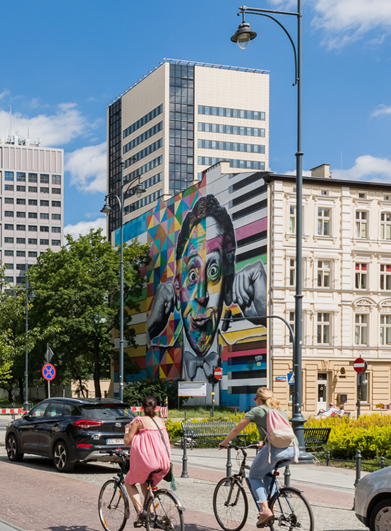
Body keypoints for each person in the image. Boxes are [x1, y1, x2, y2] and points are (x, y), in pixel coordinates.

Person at [146, 195, 267, 384]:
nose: (201, 297)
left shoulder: (247, 352)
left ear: (228, 283)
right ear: (177, 286)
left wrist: (267, 316)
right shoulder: (159, 358)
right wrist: (150, 328)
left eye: (213, 271)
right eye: (192, 275)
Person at [219, 387, 295, 528]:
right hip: (292, 450)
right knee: (266, 472)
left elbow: (236, 429)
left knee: (254, 476)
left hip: (275, 451)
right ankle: (273, 507)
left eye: (255, 399)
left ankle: (265, 510)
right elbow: (280, 432)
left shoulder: (257, 411)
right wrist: (264, 441)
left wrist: (224, 443)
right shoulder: (280, 409)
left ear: (259, 399)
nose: (255, 401)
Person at [123, 396, 172, 527]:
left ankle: (140, 512)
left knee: (128, 482)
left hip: (147, 462)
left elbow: (127, 441)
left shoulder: (138, 421)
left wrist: (126, 430)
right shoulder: (161, 421)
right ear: (156, 408)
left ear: (142, 407)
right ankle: (151, 513)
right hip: (163, 462)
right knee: (144, 482)